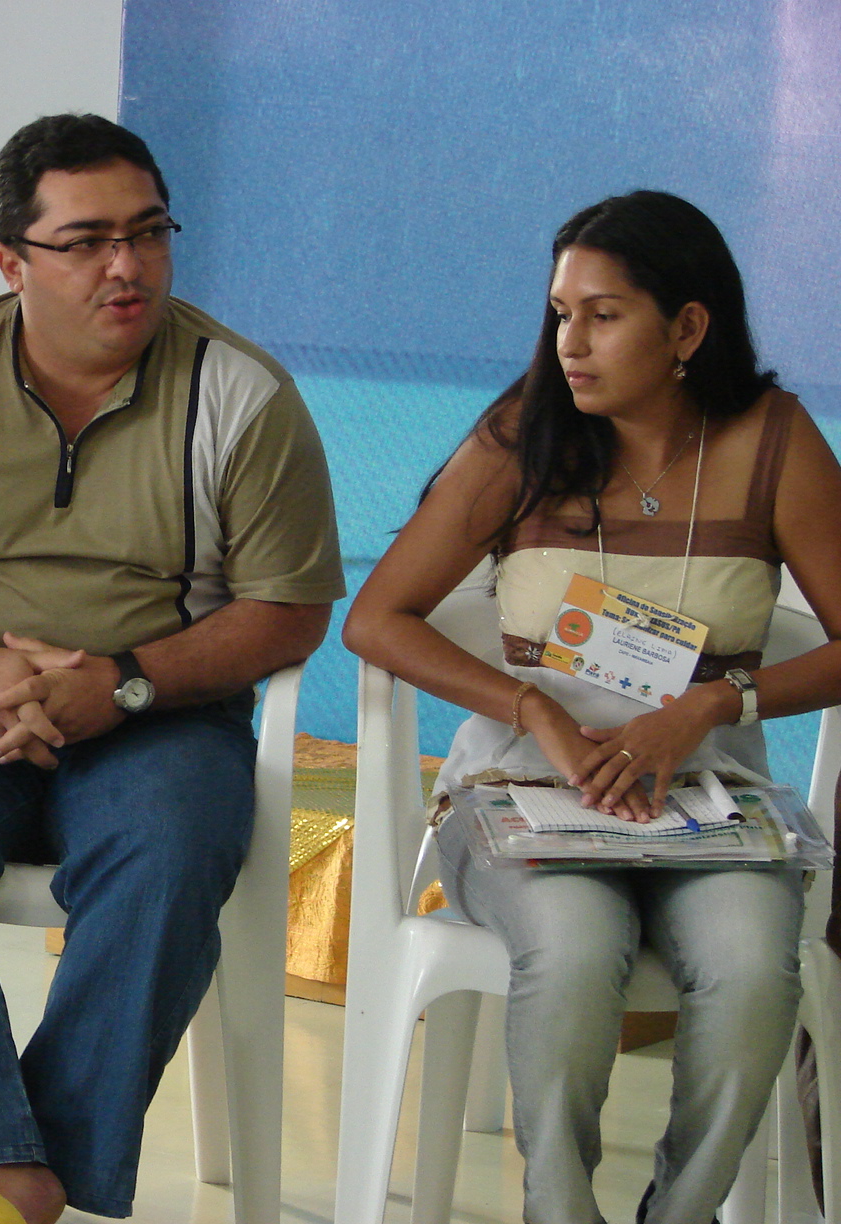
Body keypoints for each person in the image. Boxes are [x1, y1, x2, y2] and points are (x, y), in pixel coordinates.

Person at [0, 112, 344, 1222]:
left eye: (149, 232)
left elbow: (288, 615)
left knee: (173, 841)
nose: (126, 265)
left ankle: (19, 1160)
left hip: (163, 710)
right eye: (88, 240)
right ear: (12, 262)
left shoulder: (242, 394)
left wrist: (123, 682)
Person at [344, 189, 841, 1224]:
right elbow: (377, 619)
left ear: (689, 328)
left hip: (707, 801)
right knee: (572, 955)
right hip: (523, 792)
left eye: (603, 316)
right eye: (561, 313)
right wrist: (534, 711)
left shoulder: (774, 440)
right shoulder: (523, 436)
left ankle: (680, 1214)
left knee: (755, 970)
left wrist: (714, 704)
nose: (569, 343)